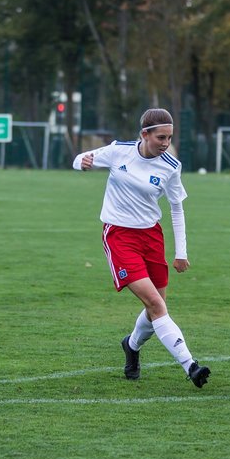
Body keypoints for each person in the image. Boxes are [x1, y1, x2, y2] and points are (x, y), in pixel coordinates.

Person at [73, 107, 210, 388]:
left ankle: (132, 346)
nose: (165, 143)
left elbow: (176, 209)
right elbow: (79, 159)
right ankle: (191, 366)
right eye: (160, 137)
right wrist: (82, 163)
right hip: (119, 235)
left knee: (155, 306)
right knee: (156, 305)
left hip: (151, 237)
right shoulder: (118, 151)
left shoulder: (171, 166)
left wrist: (181, 251)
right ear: (144, 134)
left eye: (169, 138)